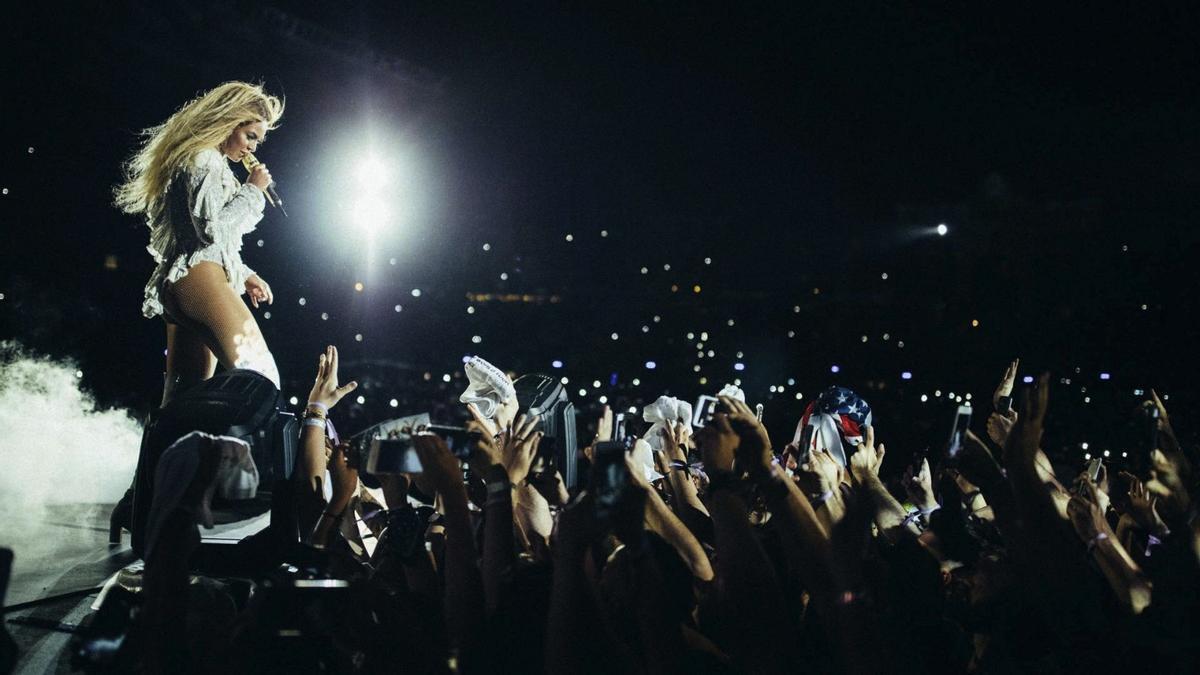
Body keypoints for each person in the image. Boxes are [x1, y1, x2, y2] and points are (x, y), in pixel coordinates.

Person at [114, 81, 284, 404]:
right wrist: (251, 190)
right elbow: (211, 231)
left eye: (258, 142)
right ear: (228, 120)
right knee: (260, 377)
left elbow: (199, 236)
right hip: (200, 281)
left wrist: (244, 273)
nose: (252, 149)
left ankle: (165, 455)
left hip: (184, 283)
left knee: (182, 401)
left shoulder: (201, 160)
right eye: (250, 136)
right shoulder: (204, 160)